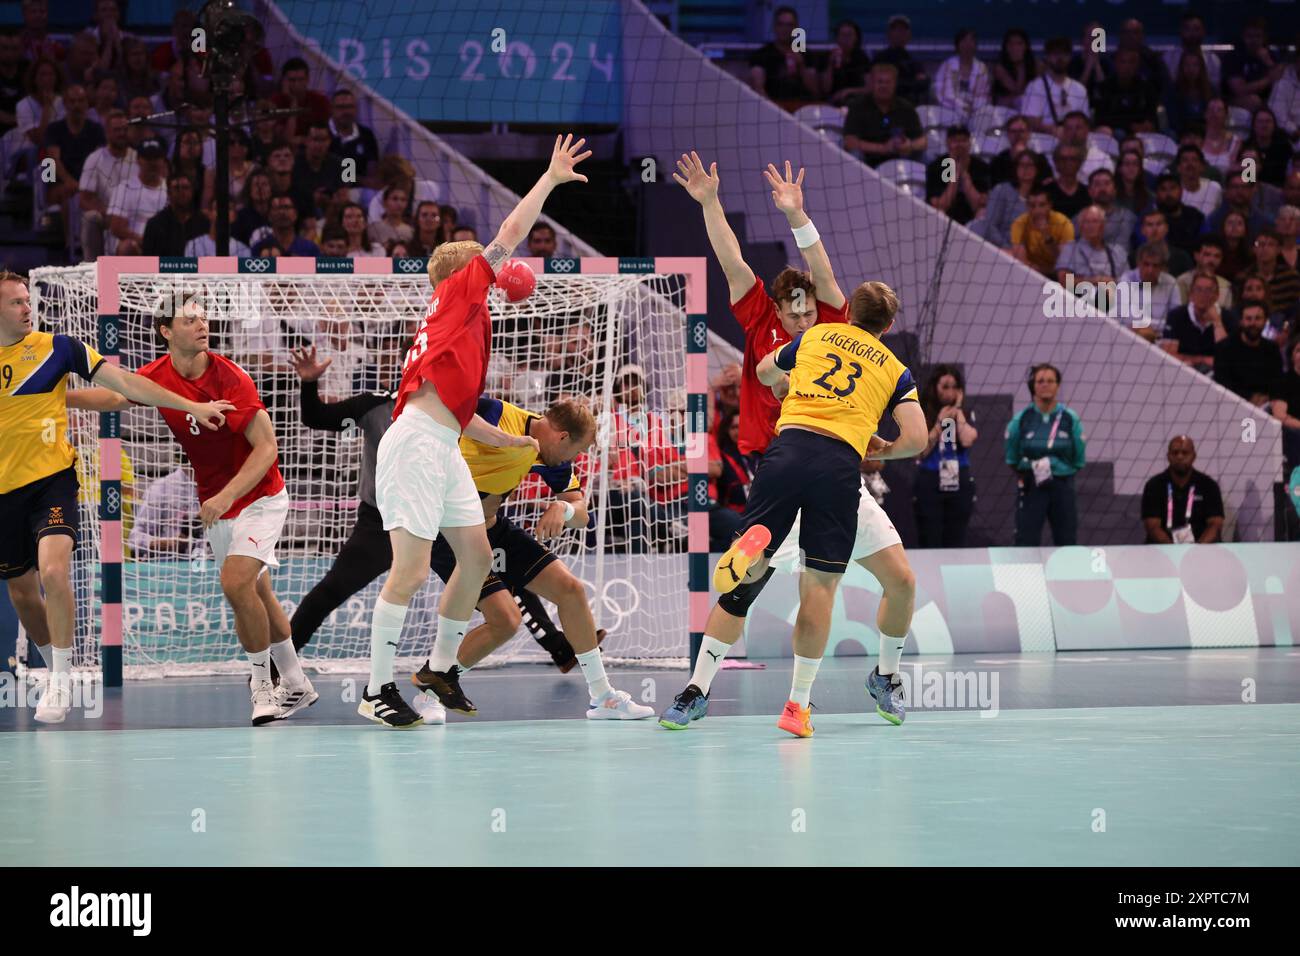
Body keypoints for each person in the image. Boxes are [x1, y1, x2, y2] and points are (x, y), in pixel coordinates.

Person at [659, 160, 917, 732]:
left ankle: (885, 676)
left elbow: (824, 271)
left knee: (899, 579)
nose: (803, 312)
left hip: (837, 471)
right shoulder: (758, 323)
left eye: (808, 304)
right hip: (778, 464)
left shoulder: (832, 327)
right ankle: (698, 689)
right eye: (793, 306)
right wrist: (708, 202)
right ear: (775, 308)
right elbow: (731, 259)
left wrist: (797, 215)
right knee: (746, 591)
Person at [359, 134, 590, 728]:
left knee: (478, 552)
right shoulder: (458, 292)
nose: (497, 270)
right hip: (412, 445)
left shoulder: (462, 330)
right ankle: (376, 688)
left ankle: (440, 667)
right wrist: (550, 177)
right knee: (409, 571)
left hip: (440, 444)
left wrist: (517, 443)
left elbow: (464, 422)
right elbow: (509, 233)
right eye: (483, 266)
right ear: (462, 275)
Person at [66, 295, 314, 725]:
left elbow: (267, 449)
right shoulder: (157, 377)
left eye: (203, 316)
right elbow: (113, 398)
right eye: (190, 318)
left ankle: (262, 689)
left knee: (237, 584)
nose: (202, 323)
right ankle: (295, 682)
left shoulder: (230, 378)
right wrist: (57, 398)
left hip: (259, 496)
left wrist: (223, 498)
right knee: (258, 592)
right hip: (218, 500)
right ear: (165, 331)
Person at [694, 279, 924, 736]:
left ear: (846, 311)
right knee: (820, 588)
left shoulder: (814, 336)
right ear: (891, 324)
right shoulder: (896, 369)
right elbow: (916, 440)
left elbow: (760, 371)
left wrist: (784, 384)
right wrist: (878, 448)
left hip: (785, 460)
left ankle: (885, 676)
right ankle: (788, 703)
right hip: (838, 470)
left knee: (899, 580)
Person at [1, 273, 232, 723]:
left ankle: (63, 679)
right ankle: (53, 667)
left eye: (28, 301)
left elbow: (129, 385)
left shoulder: (58, 348)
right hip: (3, 492)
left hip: (52, 480)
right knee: (24, 594)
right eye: (15, 303)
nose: (27, 309)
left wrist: (193, 406)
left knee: (53, 568)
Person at [1005, 363, 1085, 546]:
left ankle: (1066, 575)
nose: (1045, 385)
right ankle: (1027, 575)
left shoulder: (1070, 418)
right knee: (1026, 540)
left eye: (1050, 381)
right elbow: (1012, 458)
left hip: (1063, 484)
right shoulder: (1021, 419)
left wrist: (1059, 467)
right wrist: (1028, 470)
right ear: (1033, 385)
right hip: (1032, 484)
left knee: (1066, 540)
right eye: (1040, 381)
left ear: (1058, 385)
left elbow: (1078, 458)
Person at [913, 364, 977, 548]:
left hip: (959, 477)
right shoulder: (922, 412)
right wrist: (939, 423)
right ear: (935, 387)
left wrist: (957, 411)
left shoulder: (963, 412)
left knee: (956, 536)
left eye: (954, 387)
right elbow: (919, 452)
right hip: (930, 478)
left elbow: (967, 440)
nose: (950, 392)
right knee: (930, 535)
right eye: (945, 386)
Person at [1140, 436, 1224, 544]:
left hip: (1201, 551)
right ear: (1168, 457)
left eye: (1185, 453)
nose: (1180, 457)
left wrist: (1197, 550)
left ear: (1193, 456)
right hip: (1163, 551)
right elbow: (1152, 526)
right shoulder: (1154, 485)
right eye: (1175, 453)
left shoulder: (1209, 486)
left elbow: (1215, 524)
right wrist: (1174, 551)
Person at [842, 63, 925, 168]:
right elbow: (849, 142)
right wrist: (883, 148)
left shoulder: (906, 107)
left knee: (924, 156)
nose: (884, 86)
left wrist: (909, 145)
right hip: (867, 161)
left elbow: (922, 141)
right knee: (854, 155)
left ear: (895, 84)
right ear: (872, 84)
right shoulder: (857, 106)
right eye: (880, 82)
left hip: (899, 159)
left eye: (888, 82)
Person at [105, 135, 167, 255]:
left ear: (163, 161)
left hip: (164, 245)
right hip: (136, 245)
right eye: (148, 158)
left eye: (156, 158)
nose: (152, 163)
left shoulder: (170, 188)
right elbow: (117, 227)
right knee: (127, 247)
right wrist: (147, 241)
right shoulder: (124, 188)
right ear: (138, 160)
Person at [1214, 299, 1284, 406]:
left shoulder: (1272, 349)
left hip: (1265, 406)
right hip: (1230, 404)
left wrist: (1267, 398)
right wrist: (1249, 397)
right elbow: (1221, 384)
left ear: (1265, 321)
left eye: (1258, 318)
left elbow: (1277, 383)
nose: (1253, 323)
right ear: (1241, 321)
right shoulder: (1224, 348)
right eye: (1248, 319)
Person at [1162, 273, 1236, 372]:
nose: (1203, 295)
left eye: (1209, 290)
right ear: (1191, 294)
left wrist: (1217, 322)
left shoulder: (1229, 318)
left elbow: (1227, 359)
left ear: (1217, 295)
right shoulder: (1176, 315)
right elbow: (1168, 356)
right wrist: (1202, 360)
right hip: (1183, 370)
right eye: (1198, 289)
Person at [1020, 37, 1088, 136]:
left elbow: (1085, 121)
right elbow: (1029, 120)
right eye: (1055, 54)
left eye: (1064, 54)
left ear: (1070, 57)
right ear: (1047, 57)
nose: (1060, 58)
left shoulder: (1079, 89)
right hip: (1043, 140)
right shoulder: (1035, 86)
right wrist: (1052, 129)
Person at [748, 6, 815, 104]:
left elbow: (815, 90)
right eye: (780, 24)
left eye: (789, 25)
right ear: (774, 27)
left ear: (796, 28)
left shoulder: (806, 54)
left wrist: (801, 65)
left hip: (802, 106)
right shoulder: (761, 55)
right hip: (773, 106)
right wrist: (774, 110)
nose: (785, 29)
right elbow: (758, 89)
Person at [925, 125, 989, 225]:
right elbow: (942, 204)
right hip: (946, 217)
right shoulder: (936, 166)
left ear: (969, 143)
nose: (959, 145)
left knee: (982, 212)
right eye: (955, 141)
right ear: (947, 143)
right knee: (938, 212)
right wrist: (954, 171)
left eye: (963, 140)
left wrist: (963, 173)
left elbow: (978, 204)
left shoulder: (981, 167)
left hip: (971, 216)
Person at [977, 149, 1042, 247]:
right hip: (1000, 250)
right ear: (1016, 168)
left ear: (1037, 169)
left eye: (1030, 165)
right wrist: (1008, 249)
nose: (1026, 169)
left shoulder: (1041, 197)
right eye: (1022, 165)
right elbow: (990, 227)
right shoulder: (1001, 190)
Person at [1093, 47, 1158, 136]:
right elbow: (1101, 119)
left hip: (1143, 131)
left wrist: (1149, 123)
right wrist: (1130, 126)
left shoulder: (1146, 87)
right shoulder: (1105, 87)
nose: (1127, 66)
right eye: (1123, 62)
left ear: (1138, 65)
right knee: (1120, 133)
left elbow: (1152, 113)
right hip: (1114, 132)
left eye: (1131, 62)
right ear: (1116, 63)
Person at [1010, 186, 1073, 278]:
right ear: (1026, 206)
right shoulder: (1019, 223)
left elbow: (1063, 260)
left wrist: (1047, 237)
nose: (1037, 210)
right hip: (1032, 272)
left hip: (1057, 271)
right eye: (1032, 205)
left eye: (1042, 205)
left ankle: (1068, 292)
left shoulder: (1063, 223)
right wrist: (1038, 271)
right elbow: (1021, 261)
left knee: (1066, 273)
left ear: (1050, 205)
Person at [1223, 17, 1283, 113]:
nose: (1254, 40)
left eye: (1258, 36)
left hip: (1268, 99)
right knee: (1253, 100)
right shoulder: (1233, 57)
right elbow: (1240, 90)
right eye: (1250, 36)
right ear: (1243, 37)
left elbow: (1282, 81)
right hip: (1236, 100)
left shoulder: (1271, 55)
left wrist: (1268, 62)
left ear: (1264, 38)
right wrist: (1268, 79)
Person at [141, 172, 209, 257]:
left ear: (192, 192)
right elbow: (148, 260)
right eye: (176, 188)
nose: (181, 192)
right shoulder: (155, 224)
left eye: (185, 187)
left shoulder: (204, 222)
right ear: (169, 193)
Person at [932, 28, 991, 121]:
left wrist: (973, 106)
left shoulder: (981, 68)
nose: (968, 45)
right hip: (949, 109)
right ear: (957, 45)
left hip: (975, 111)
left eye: (971, 40)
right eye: (964, 41)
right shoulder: (948, 65)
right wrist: (961, 105)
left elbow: (984, 94)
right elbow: (942, 92)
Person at [873, 14, 928, 105]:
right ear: (888, 33)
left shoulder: (913, 61)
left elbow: (923, 83)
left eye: (903, 30)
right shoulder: (880, 58)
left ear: (909, 35)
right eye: (896, 29)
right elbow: (878, 85)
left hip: (909, 106)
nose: (900, 33)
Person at [816, 19, 870, 106]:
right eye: (843, 35)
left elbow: (869, 88)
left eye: (849, 35)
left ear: (856, 38)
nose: (846, 39)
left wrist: (847, 91)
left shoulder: (862, 58)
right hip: (831, 102)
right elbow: (825, 89)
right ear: (837, 38)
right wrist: (830, 64)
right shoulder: (826, 57)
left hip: (856, 101)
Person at [988, 115, 1051, 187]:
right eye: (1013, 131)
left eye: (1022, 131)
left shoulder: (1040, 160)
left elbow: (1047, 184)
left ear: (1028, 133)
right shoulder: (998, 161)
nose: (1018, 135)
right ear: (1008, 134)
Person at [992, 28, 1037, 109]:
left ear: (1026, 46)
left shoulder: (1036, 65)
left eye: (1019, 44)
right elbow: (1017, 91)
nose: (1015, 48)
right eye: (1011, 44)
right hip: (1004, 109)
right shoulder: (999, 67)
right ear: (1006, 47)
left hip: (1029, 108)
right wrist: (1020, 66)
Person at [1045, 143, 1090, 220]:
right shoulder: (1045, 191)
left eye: (1073, 159)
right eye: (1063, 159)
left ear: (1080, 163)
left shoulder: (1088, 193)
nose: (1068, 163)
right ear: (1055, 163)